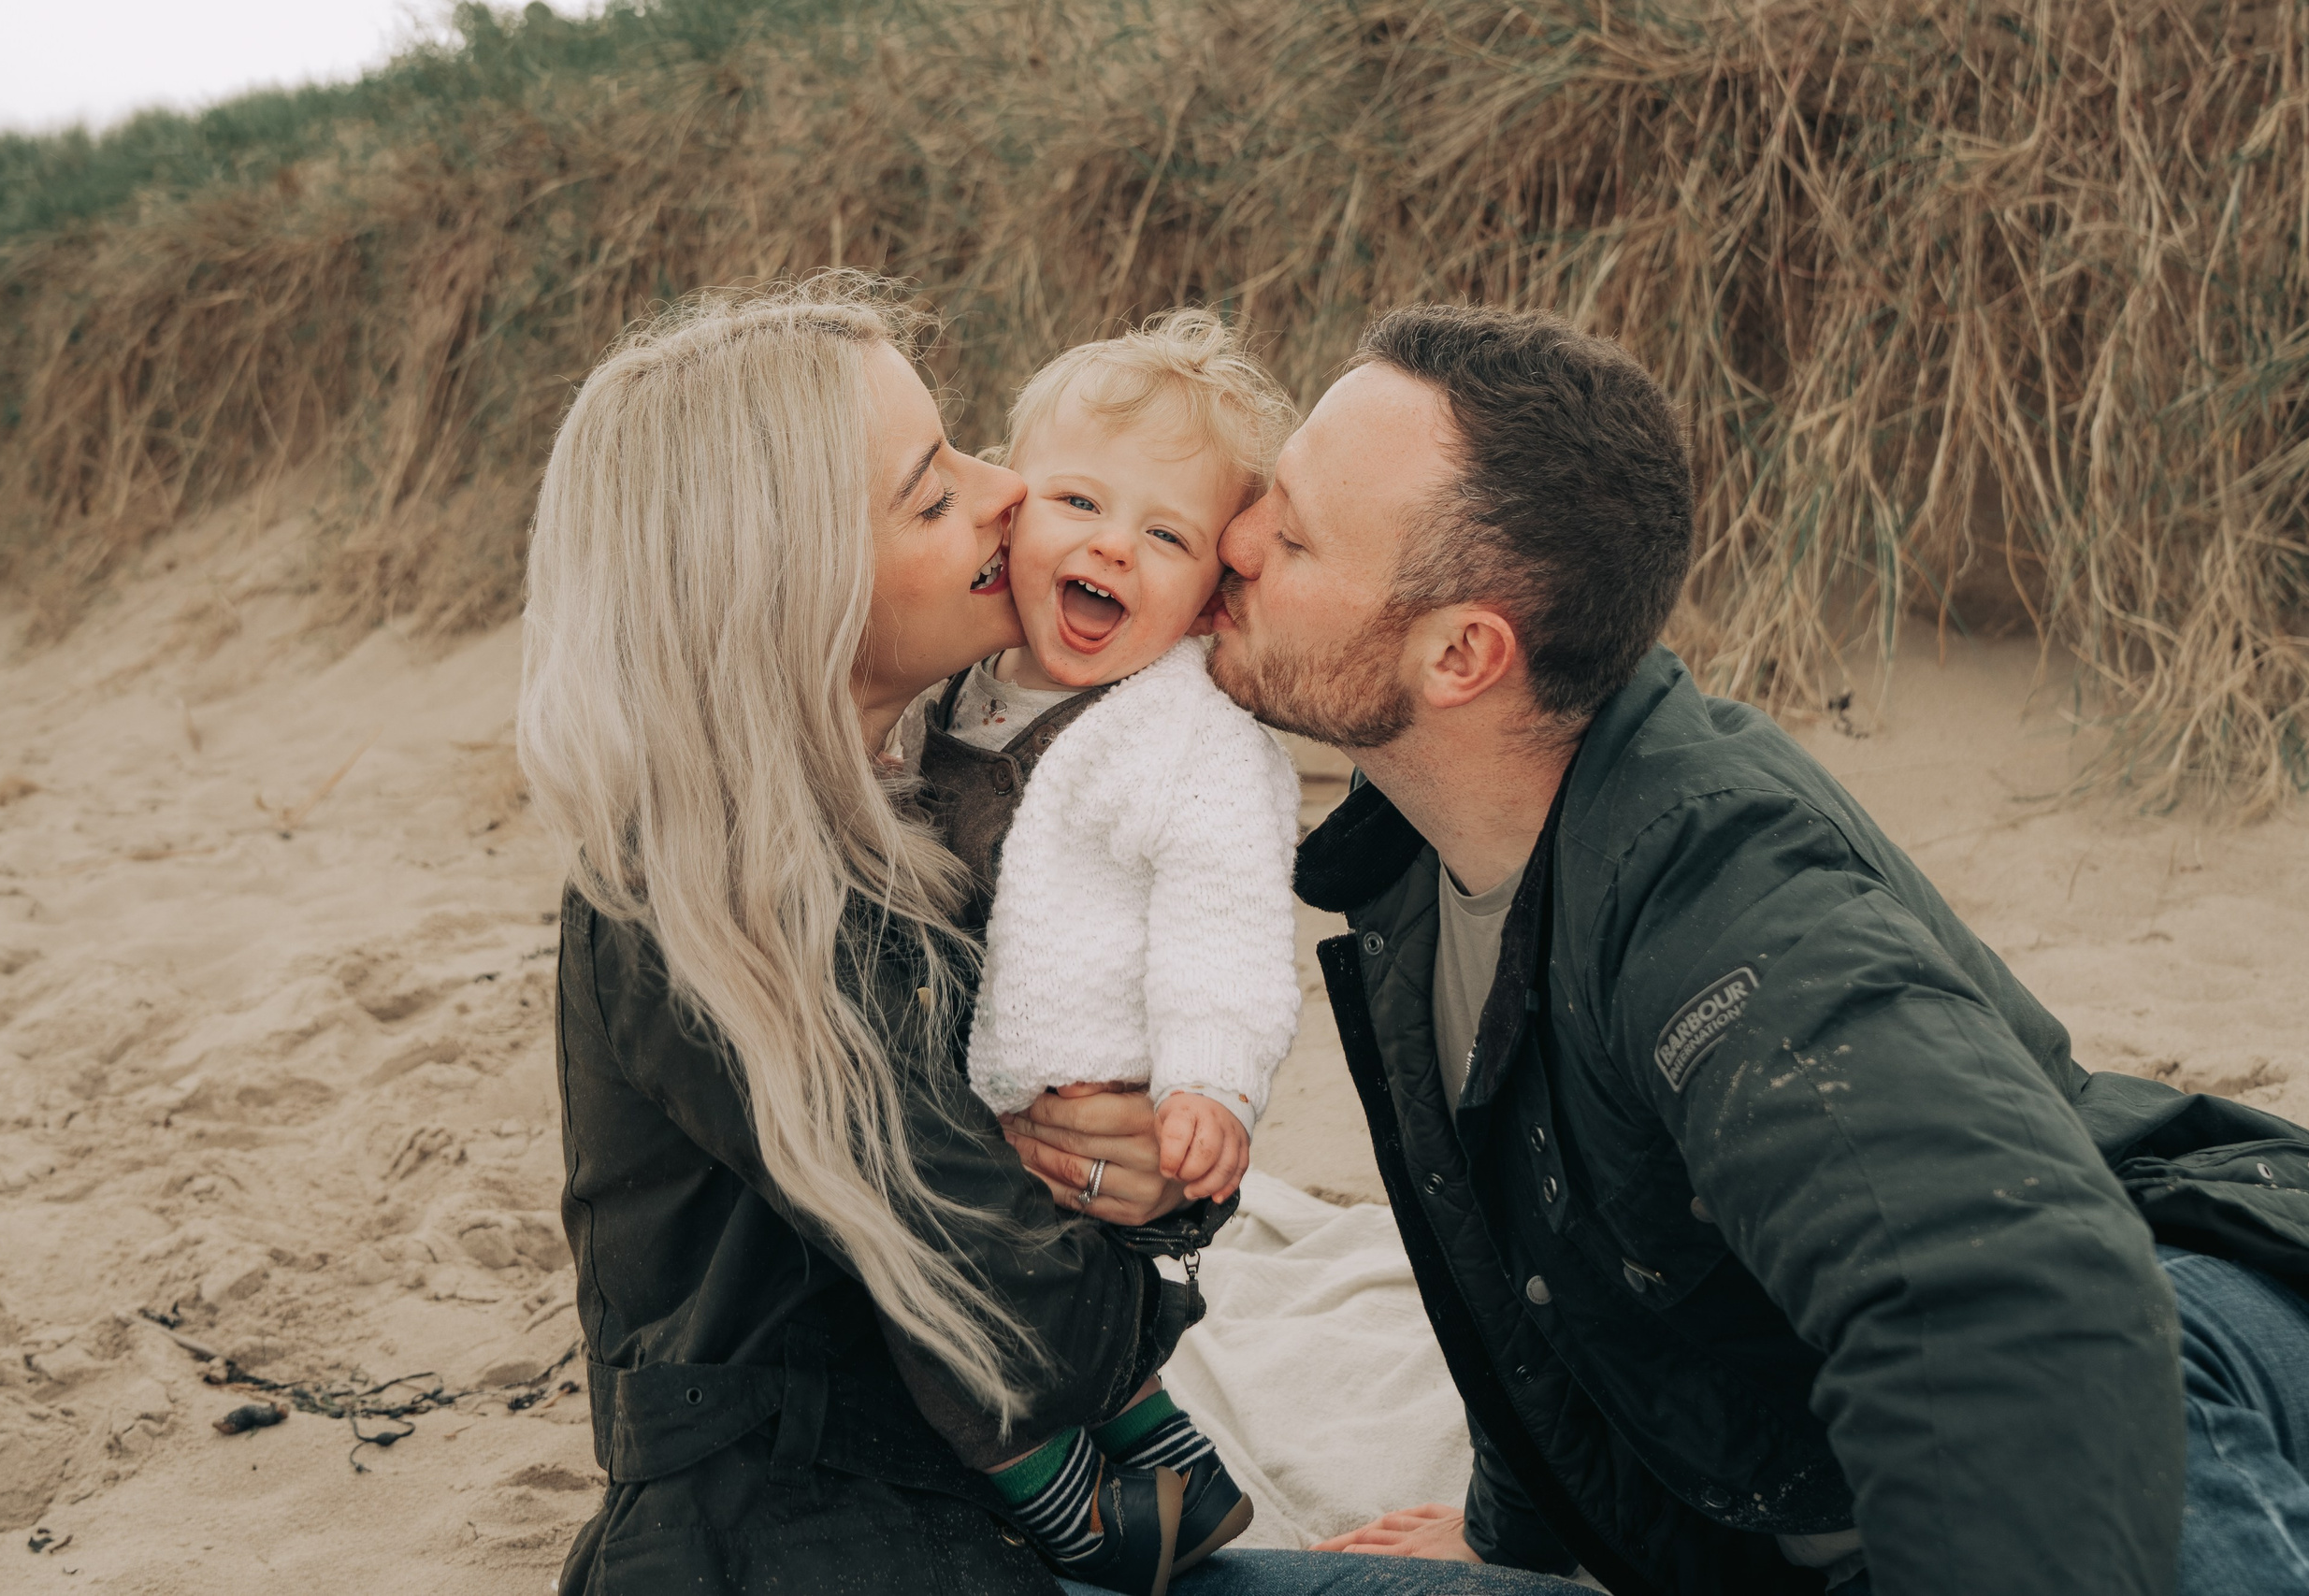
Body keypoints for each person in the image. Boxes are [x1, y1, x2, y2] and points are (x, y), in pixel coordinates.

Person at [1016, 302, 2309, 1596]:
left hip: (2166, 1353)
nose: (1233, 539)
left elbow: (2018, 1302)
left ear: (1462, 653)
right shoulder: (1413, 860)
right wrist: (1520, 1530)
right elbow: (1524, 1270)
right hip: (1775, 1517)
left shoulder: (1718, 887)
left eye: (1289, 533)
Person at [520, 276, 1588, 1596]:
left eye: (971, 447)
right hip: (828, 1552)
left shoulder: (886, 804)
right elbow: (1027, 1330)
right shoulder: (724, 898)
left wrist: (1139, 1162)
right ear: (790, 577)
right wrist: (1129, 1217)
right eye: (932, 490)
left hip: (956, 1518)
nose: (1005, 494)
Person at [917, 311, 1306, 1590]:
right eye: (1078, 498)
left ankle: (1075, 1501)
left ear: (1210, 591)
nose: (1110, 544)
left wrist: (1212, 1081)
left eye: (1167, 534)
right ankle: (1163, 1450)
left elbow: (1228, 922)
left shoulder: (1183, 735)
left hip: (1084, 1109)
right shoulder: (961, 681)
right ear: (1010, 507)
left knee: (954, 1328)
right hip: (976, 1098)